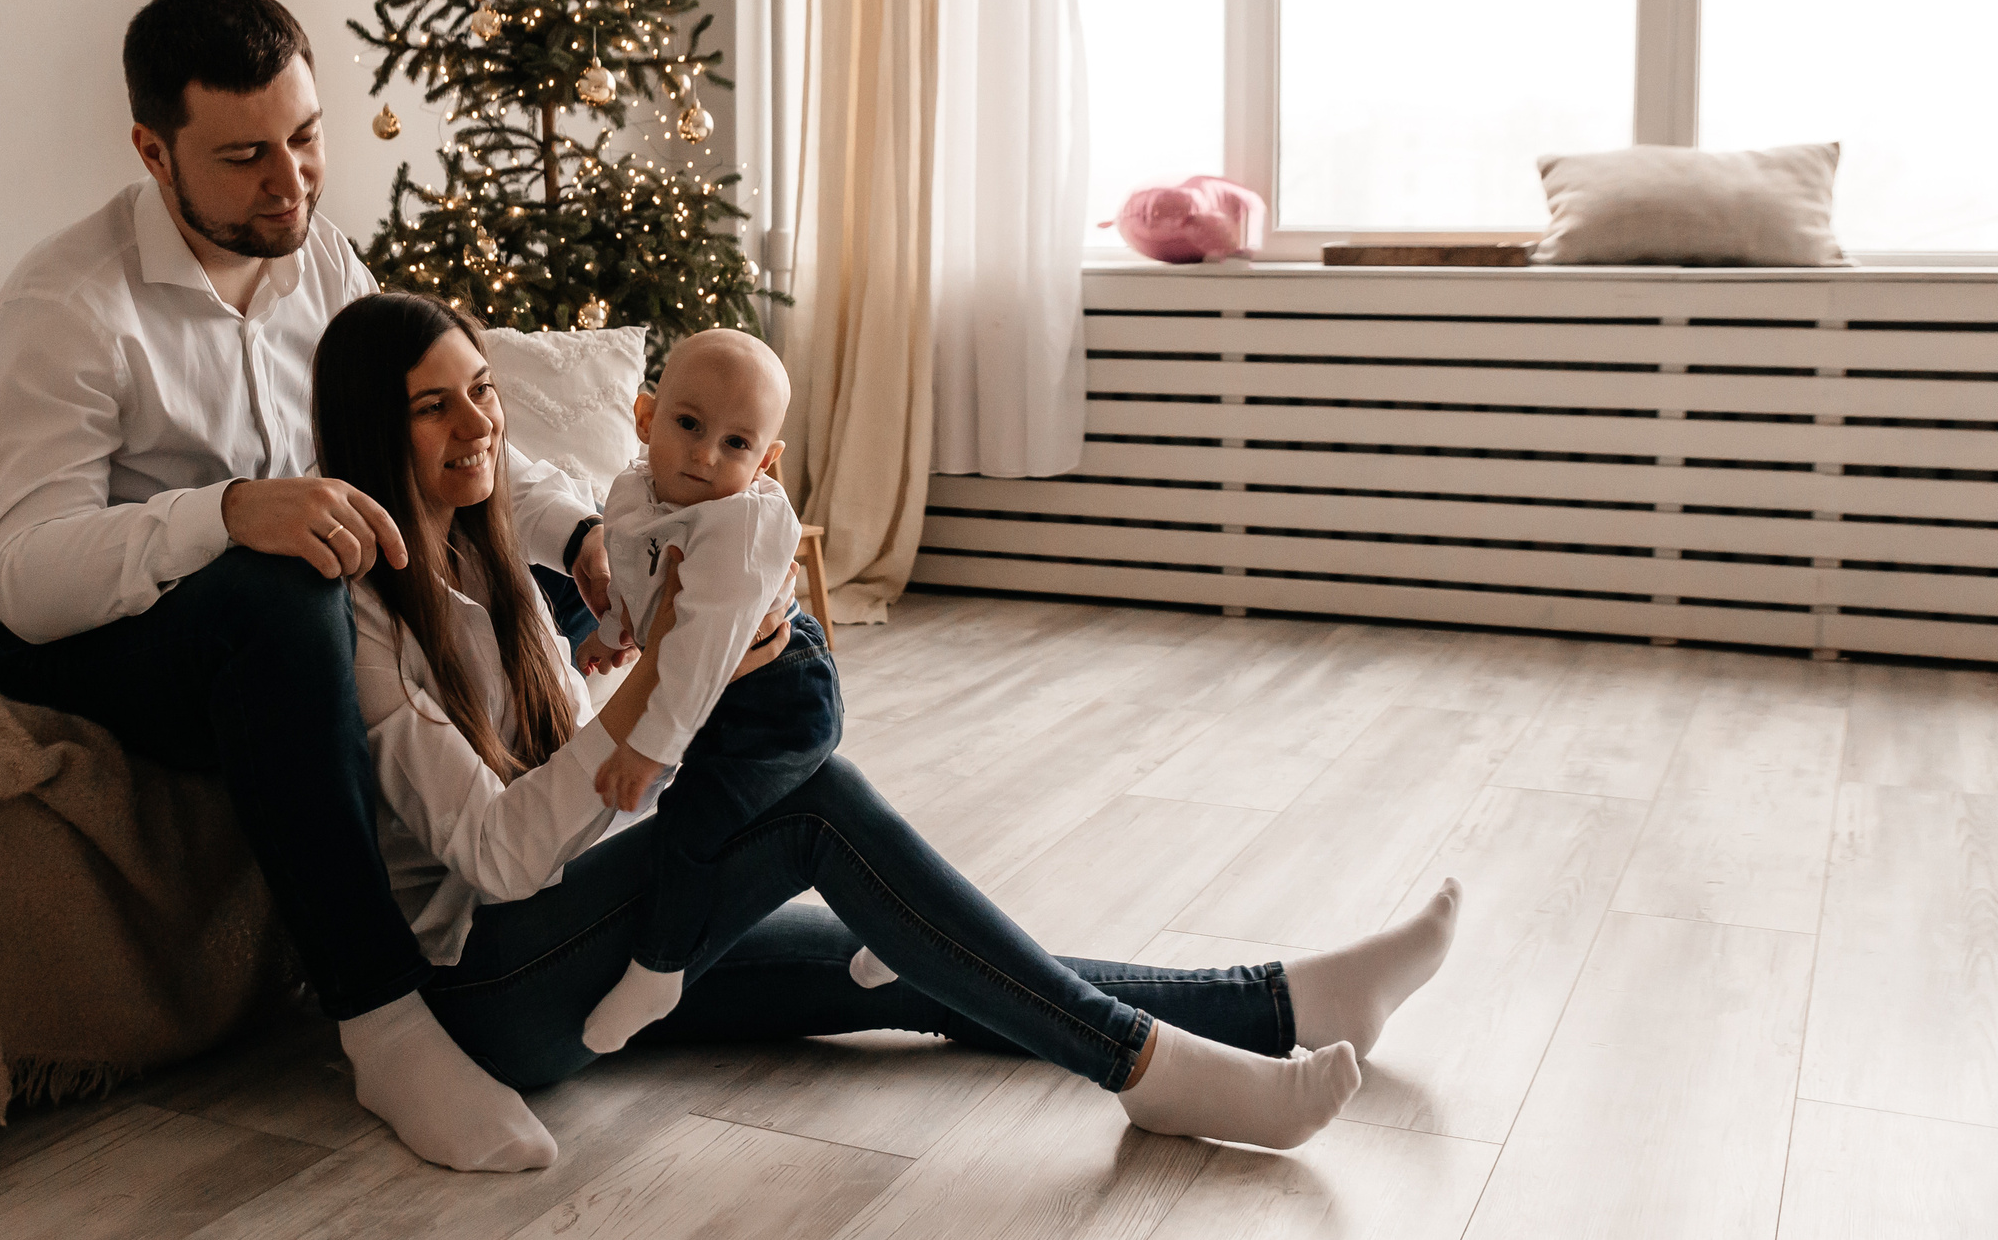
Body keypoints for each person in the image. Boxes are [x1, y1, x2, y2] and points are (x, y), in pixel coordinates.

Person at [317, 290, 1467, 1154]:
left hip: (597, 911)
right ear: (378, 431)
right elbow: (501, 856)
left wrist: (670, 630)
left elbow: (564, 520)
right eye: (435, 404)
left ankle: (1288, 1005)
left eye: (483, 388)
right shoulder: (365, 623)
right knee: (819, 805)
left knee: (904, 953)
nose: (477, 421)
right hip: (489, 990)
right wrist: (654, 691)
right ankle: (1145, 1073)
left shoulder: (492, 536)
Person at [0, 0, 625, 1174]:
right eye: (247, 156)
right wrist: (225, 513)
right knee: (286, 593)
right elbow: (26, 575)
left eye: (306, 139)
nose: (293, 184)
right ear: (154, 151)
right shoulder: (69, 307)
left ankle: (651, 907)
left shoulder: (322, 261)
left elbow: (424, 435)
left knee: (527, 591)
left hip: (278, 608)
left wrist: (572, 536)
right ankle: (382, 1020)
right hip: (71, 637)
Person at [572, 328, 834, 1054]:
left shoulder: (739, 522)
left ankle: (660, 967)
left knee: (693, 825)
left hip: (775, 696)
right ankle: (882, 929)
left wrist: (648, 751)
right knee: (806, 811)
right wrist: (615, 631)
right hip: (727, 686)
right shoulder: (634, 488)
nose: (707, 455)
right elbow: (640, 572)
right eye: (689, 425)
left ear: (767, 460)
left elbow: (697, 655)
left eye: (737, 444)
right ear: (645, 416)